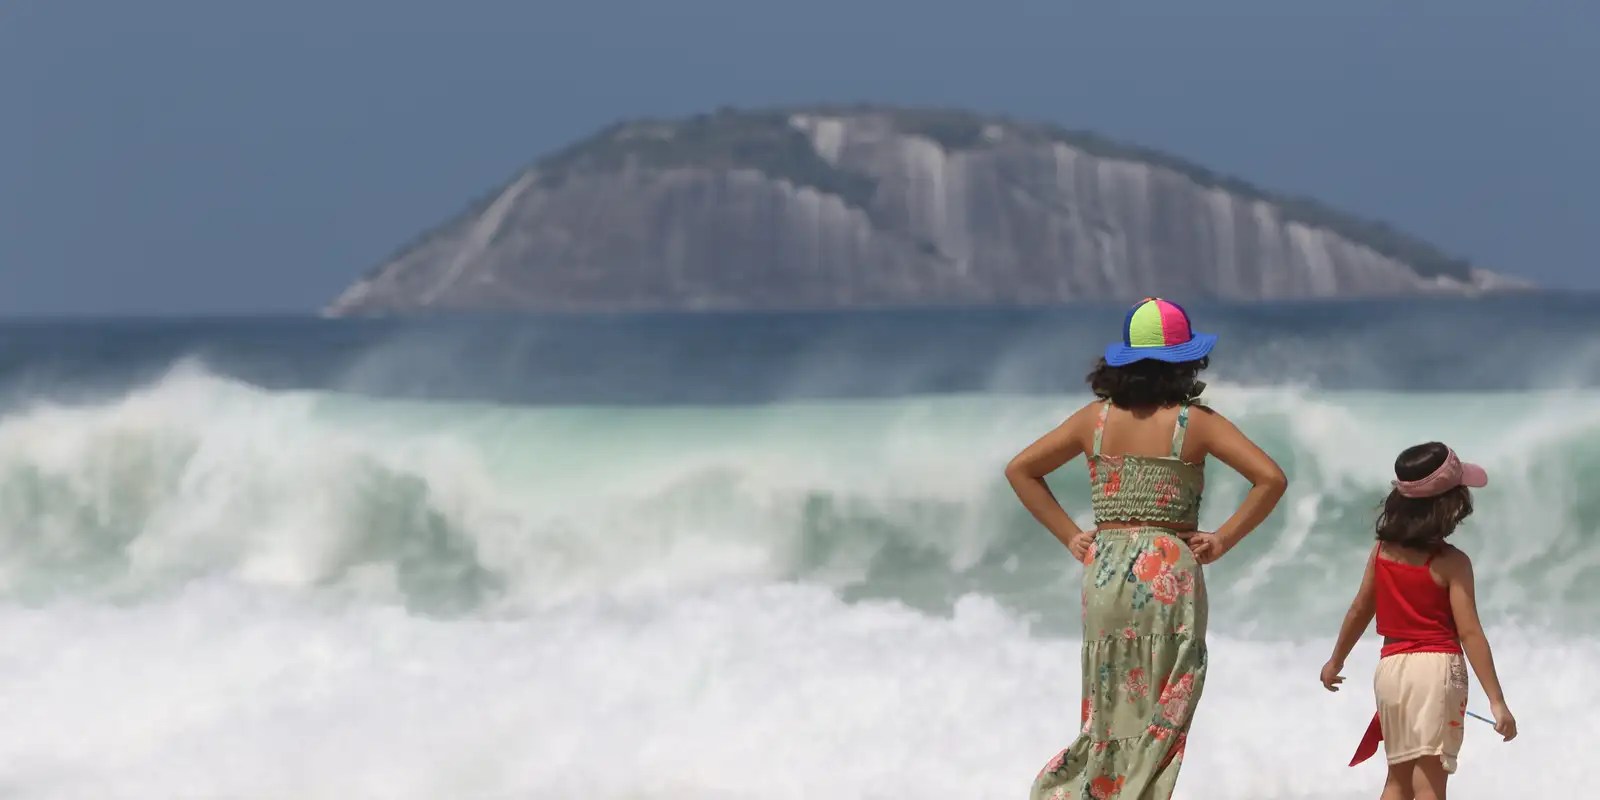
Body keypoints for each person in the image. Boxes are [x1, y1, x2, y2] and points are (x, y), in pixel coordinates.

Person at [1007, 297, 1288, 800]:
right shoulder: (1194, 422)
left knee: (1107, 707)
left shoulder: (1093, 420)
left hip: (1106, 569)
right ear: (1185, 362)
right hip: (1168, 571)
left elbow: (1020, 470)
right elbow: (1270, 478)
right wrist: (1223, 538)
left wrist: (1072, 535)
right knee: (1164, 711)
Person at [1320, 442, 1517, 800]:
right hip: (1437, 671)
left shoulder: (1382, 552)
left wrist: (1336, 660)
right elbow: (1470, 632)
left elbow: (1360, 609)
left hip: (1391, 670)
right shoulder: (1452, 562)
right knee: (1430, 784)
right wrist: (1497, 700)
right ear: (1449, 506)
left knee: (1397, 780)